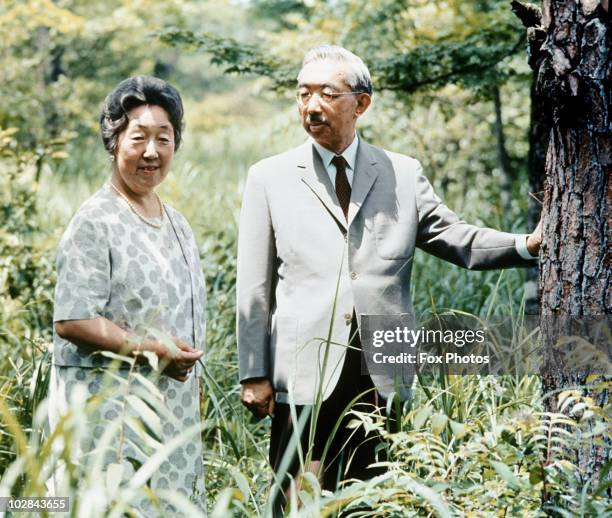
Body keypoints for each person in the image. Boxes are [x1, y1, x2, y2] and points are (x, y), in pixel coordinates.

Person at [236, 45, 542, 503]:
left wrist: (526, 246)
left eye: (326, 93)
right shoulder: (270, 177)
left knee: (373, 497)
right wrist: (253, 373)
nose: (312, 106)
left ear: (361, 103)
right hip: (303, 367)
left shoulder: (401, 173)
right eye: (303, 95)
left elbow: (457, 238)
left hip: (382, 365)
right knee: (299, 498)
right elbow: (254, 287)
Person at [50, 76, 206, 511]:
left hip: (171, 421)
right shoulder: (95, 220)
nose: (152, 152)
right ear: (113, 140)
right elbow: (73, 319)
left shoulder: (177, 222)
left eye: (165, 138)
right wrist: (153, 350)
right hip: (110, 426)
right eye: (139, 138)